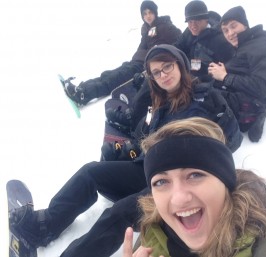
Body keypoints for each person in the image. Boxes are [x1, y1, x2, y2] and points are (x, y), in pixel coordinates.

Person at [9, 44, 242, 257]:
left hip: (180, 184)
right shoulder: (160, 103)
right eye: (157, 72)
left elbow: (232, 139)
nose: (164, 75)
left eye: (168, 66)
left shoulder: (205, 97)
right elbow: (143, 132)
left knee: (120, 213)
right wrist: (128, 147)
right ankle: (45, 225)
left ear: (180, 64)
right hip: (148, 170)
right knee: (91, 172)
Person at [122, 117, 266, 257]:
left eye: (195, 175)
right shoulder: (155, 233)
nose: (178, 198)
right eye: (161, 182)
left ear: (225, 181)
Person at [108, 0, 234, 131]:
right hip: (185, 70)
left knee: (162, 97)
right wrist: (158, 61)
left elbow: (221, 69)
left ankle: (146, 124)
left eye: (197, 20)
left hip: (200, 83)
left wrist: (184, 62)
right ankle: (135, 117)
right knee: (152, 83)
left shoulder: (220, 40)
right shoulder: (189, 32)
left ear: (206, 19)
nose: (193, 25)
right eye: (189, 21)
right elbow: (177, 46)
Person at [64, 0, 181, 106]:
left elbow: (180, 40)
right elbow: (142, 48)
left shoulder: (165, 26)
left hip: (145, 67)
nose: (148, 16)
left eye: (150, 12)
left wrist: (163, 54)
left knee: (115, 78)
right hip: (136, 62)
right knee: (108, 74)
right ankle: (80, 88)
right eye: (144, 13)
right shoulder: (146, 29)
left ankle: (83, 95)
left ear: (155, 12)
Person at [208, 6, 266, 142]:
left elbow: (261, 87)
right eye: (225, 30)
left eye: (234, 26)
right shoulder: (246, 44)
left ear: (245, 24)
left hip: (242, 105)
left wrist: (225, 77)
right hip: (226, 93)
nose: (230, 33)